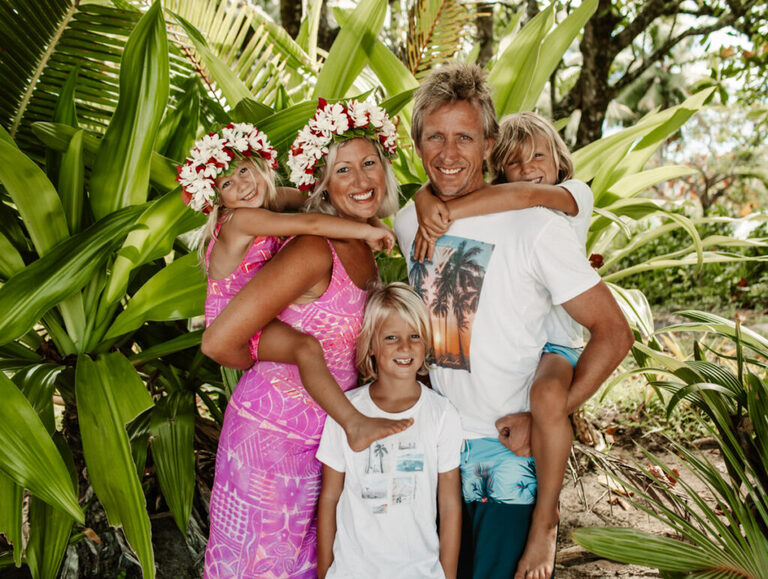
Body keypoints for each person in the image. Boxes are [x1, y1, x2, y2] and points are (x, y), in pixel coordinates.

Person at [393, 62, 634, 579]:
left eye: (465, 137)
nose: (449, 153)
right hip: (436, 449)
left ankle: (545, 528)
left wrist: (550, 414)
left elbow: (614, 333)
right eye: (435, 136)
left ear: (488, 145)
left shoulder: (538, 225)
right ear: (416, 144)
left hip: (509, 451)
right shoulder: (408, 220)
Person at [200, 100, 408, 578]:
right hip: (270, 444)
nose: (359, 181)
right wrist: (267, 362)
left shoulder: (363, 241)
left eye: (369, 163)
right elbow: (218, 344)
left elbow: (289, 199)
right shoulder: (315, 248)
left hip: (325, 439)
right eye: (343, 170)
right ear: (324, 183)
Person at [409, 111, 594, 578]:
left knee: (548, 401)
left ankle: (546, 523)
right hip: (457, 438)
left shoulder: (570, 197)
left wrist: (436, 206)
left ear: (559, 159)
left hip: (563, 340)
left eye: (539, 155)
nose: (530, 166)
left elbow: (528, 193)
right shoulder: (487, 217)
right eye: (516, 161)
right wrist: (422, 197)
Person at [179, 122, 408, 454]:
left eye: (245, 170)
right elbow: (311, 222)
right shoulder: (242, 218)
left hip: (262, 334)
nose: (243, 185)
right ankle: (354, 423)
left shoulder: (271, 200)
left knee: (305, 349)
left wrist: (368, 219)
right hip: (237, 326)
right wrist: (365, 232)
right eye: (228, 183)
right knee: (306, 349)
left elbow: (314, 200)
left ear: (259, 163)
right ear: (218, 199)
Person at [316, 283, 463, 579]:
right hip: (351, 571)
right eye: (391, 337)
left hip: (420, 572)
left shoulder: (441, 413)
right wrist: (325, 570)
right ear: (371, 345)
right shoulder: (346, 410)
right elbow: (330, 496)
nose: (405, 347)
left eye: (414, 336)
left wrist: (447, 575)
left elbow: (449, 503)